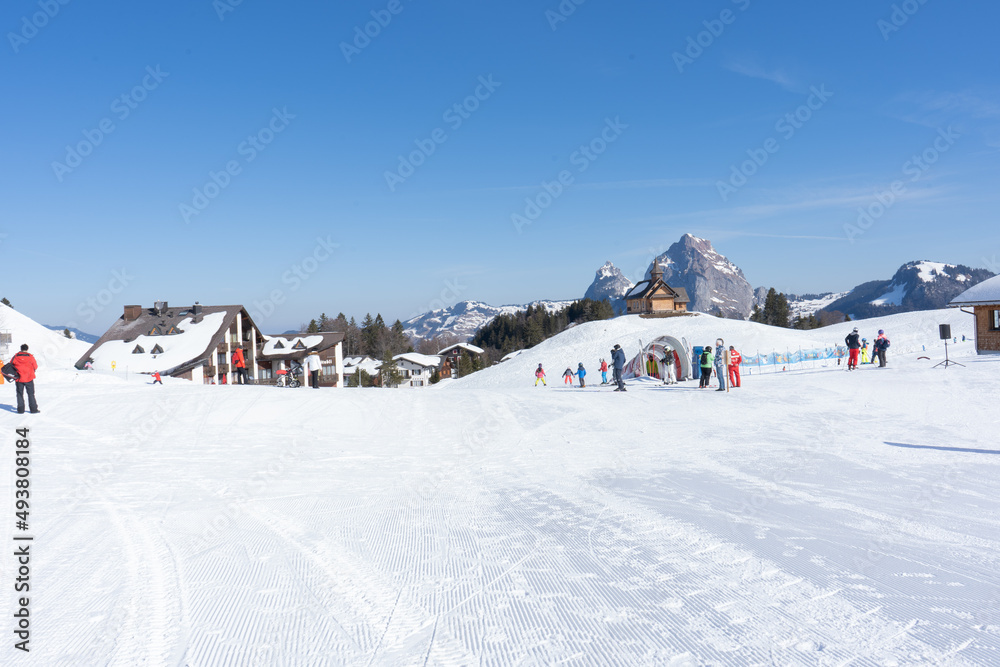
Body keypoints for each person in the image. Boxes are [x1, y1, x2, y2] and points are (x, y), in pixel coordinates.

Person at [11, 344, 39, 414]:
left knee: (19, 394)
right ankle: (33, 409)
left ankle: (20, 410)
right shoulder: (30, 357)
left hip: (19, 378)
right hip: (29, 378)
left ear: (21, 349)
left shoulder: (15, 356)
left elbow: (10, 365)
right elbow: (35, 366)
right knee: (31, 394)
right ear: (27, 349)